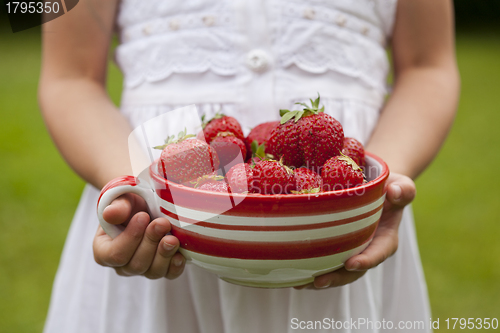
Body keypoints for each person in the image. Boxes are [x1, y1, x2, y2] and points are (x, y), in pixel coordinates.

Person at [39, 0, 459, 332]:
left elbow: (429, 65)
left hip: (342, 220)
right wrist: (141, 190)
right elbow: (69, 77)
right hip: (161, 210)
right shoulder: (149, 192)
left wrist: (373, 192)